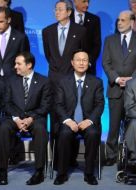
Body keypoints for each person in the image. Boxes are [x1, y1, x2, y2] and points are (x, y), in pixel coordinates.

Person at [0, 51, 51, 185]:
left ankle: (39, 171)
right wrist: (17, 119)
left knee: (40, 129)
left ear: (29, 65)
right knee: (3, 128)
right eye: (15, 63)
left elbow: (46, 105)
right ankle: (2, 170)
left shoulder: (44, 81)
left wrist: (31, 118)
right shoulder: (10, 80)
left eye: (18, 64)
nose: (15, 66)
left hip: (35, 118)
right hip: (14, 118)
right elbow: (6, 103)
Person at [102, 10, 136, 166]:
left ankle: (131, 155)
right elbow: (106, 63)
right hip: (115, 88)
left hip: (135, 89)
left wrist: (131, 79)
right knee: (113, 125)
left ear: (132, 22)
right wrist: (116, 78)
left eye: (123, 20)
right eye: (118, 20)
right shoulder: (109, 40)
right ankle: (111, 155)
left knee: (132, 124)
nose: (119, 23)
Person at [53, 50, 104, 185]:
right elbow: (58, 105)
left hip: (88, 121)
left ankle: (89, 173)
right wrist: (68, 121)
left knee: (93, 133)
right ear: (72, 63)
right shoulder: (63, 82)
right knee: (64, 133)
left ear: (89, 63)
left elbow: (100, 105)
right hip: (68, 121)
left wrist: (89, 120)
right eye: (78, 60)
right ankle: (62, 173)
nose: (81, 63)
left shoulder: (96, 82)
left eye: (85, 60)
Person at [42, 0, 87, 140]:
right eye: (55, 9)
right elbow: (49, 55)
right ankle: (56, 157)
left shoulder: (80, 31)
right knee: (55, 116)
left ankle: (71, 158)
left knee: (72, 117)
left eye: (60, 9)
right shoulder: (47, 31)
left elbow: (82, 54)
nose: (57, 12)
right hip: (54, 80)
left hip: (72, 79)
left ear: (69, 12)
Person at [0, 6, 29, 164]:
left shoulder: (20, 37)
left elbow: (25, 60)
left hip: (13, 84)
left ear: (9, 20)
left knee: (12, 120)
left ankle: (14, 154)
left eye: (1, 21)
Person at [70, 0, 101, 75]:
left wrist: (88, 62)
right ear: (75, 2)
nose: (87, 4)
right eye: (84, 1)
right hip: (68, 68)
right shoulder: (67, 17)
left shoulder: (95, 19)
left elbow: (97, 44)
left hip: (88, 69)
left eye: (88, 2)